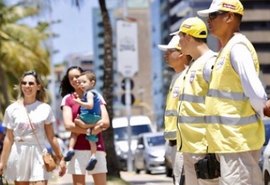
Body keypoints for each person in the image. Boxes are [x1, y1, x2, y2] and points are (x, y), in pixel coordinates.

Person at [197, 0, 267, 184]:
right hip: (229, 144)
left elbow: (257, 94)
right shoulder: (226, 50)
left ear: (229, 16)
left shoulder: (237, 48)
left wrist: (260, 111)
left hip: (237, 143)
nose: (208, 21)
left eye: (213, 16)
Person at [0, 70, 66, 184]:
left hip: (39, 153)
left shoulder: (45, 108)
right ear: (21, 86)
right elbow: (8, 139)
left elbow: (51, 137)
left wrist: (61, 159)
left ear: (38, 86)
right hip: (19, 153)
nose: (27, 86)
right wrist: (2, 162)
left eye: (31, 83)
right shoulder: (11, 109)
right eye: (24, 83)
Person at [175, 17, 218, 185]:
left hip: (204, 148)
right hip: (189, 147)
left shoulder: (210, 63)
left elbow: (216, 106)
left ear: (188, 37)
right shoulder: (194, 65)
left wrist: (211, 149)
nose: (179, 43)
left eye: (180, 37)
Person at [60, 66, 109, 185]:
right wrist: (92, 131)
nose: (75, 80)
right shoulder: (67, 99)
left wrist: (82, 128)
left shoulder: (96, 96)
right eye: (71, 78)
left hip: (97, 148)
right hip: (77, 149)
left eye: (77, 76)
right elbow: (68, 125)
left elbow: (106, 122)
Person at [158, 35, 191, 185]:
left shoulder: (188, 76)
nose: (166, 54)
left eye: (170, 51)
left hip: (185, 143)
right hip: (175, 144)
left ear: (182, 53)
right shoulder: (176, 77)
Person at [64, 71, 102, 171]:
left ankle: (70, 149)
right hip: (96, 118)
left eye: (83, 82)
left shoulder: (89, 93)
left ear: (92, 83)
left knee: (75, 126)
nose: (80, 84)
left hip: (88, 117)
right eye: (80, 82)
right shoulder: (97, 94)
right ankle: (93, 156)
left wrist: (79, 102)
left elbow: (90, 105)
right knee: (92, 139)